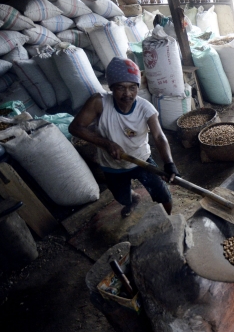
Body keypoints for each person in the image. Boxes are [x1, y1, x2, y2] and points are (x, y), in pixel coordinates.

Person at [69, 57, 179, 217]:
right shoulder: (98, 102)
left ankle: (170, 221)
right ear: (112, 87)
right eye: (121, 88)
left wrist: (169, 164)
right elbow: (75, 127)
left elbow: (159, 136)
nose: (127, 94)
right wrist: (106, 144)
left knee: (162, 194)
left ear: (137, 88)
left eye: (132, 88)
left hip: (142, 160)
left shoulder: (145, 108)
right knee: (122, 198)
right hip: (112, 166)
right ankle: (133, 199)